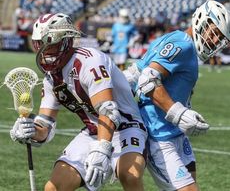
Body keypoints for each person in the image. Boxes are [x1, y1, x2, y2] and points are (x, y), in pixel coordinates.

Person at [9, 13, 147, 191]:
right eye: (41, 44)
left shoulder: (90, 61)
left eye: (51, 43)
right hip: (93, 130)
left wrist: (101, 149)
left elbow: (108, 110)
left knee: (129, 175)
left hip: (126, 125)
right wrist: (30, 130)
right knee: (54, 188)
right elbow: (45, 126)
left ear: (66, 41)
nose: (45, 51)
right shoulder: (51, 79)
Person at [123, 0, 230, 191]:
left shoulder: (177, 39)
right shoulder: (183, 45)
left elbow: (134, 74)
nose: (215, 41)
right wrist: (179, 113)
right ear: (202, 21)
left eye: (220, 38)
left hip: (175, 134)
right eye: (214, 32)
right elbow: (147, 81)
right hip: (160, 135)